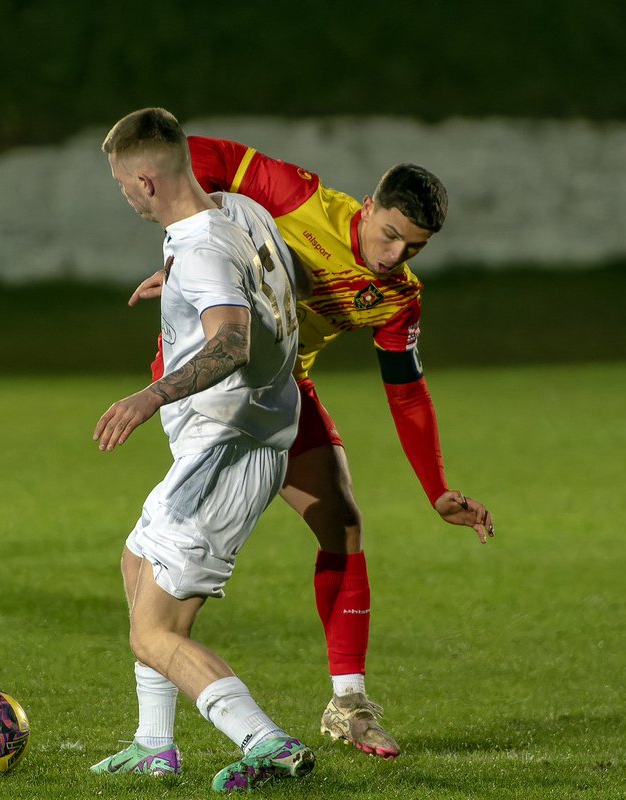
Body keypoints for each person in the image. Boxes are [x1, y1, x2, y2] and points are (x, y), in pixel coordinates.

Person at [129, 135, 497, 759]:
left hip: (277, 390)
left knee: (342, 526)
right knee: (171, 573)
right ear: (367, 203)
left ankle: (347, 704)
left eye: (413, 248)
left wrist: (436, 489)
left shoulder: (399, 298)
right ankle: (204, 732)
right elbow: (191, 156)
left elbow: (407, 394)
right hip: (210, 386)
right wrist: (191, 252)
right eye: (389, 234)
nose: (395, 254)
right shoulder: (298, 198)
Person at [89, 107, 314, 792]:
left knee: (154, 634)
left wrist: (148, 395)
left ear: (149, 182)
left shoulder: (202, 252)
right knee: (135, 562)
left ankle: (268, 743)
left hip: (227, 451)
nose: (123, 195)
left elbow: (232, 342)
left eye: (124, 184)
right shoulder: (239, 214)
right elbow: (288, 280)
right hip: (245, 437)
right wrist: (184, 287)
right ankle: (153, 746)